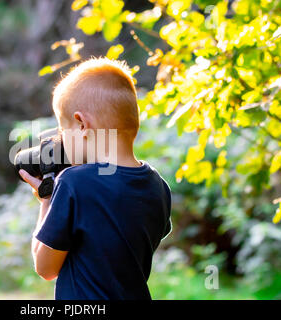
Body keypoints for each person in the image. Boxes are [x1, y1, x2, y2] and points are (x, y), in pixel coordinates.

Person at [19, 57, 172, 300]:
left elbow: (45, 268)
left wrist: (47, 200)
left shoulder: (74, 183)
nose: (61, 140)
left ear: (81, 124)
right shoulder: (158, 186)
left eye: (62, 129)